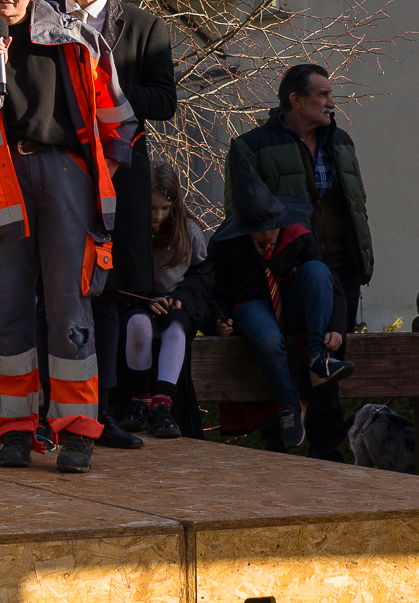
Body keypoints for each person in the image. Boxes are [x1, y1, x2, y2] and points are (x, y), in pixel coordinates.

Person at [0, 0, 138, 474]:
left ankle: (77, 430)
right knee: (8, 308)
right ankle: (14, 429)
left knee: (69, 306)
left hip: (64, 176)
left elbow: (118, 118)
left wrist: (96, 172)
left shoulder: (75, 36)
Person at [49, 0, 177, 451]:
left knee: (111, 289)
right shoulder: (42, 20)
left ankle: (102, 410)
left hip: (121, 171)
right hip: (60, 168)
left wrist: (113, 94)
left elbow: (164, 101)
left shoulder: (145, 27)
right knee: (56, 287)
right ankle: (56, 409)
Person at [227, 63, 372, 460]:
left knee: (329, 359)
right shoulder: (252, 146)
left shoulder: (340, 140)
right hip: (281, 273)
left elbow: (355, 205)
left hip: (340, 268)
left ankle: (328, 455)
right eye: (322, 94)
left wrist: (360, 262)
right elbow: (240, 216)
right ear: (296, 100)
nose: (330, 101)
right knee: (285, 357)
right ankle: (279, 455)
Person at [210, 148, 355, 450]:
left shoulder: (298, 234)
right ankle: (288, 403)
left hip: (292, 302)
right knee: (265, 338)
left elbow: (331, 284)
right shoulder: (225, 248)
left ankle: (318, 358)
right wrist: (218, 319)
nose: (268, 237)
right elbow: (216, 291)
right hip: (252, 304)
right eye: (259, 232)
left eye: (272, 227)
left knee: (316, 271)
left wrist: (337, 328)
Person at [119, 162, 215, 439]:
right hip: (134, 302)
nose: (159, 215)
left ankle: (163, 404)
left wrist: (181, 298)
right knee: (138, 326)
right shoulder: (127, 230)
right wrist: (145, 299)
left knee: (175, 330)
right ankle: (139, 401)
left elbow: (202, 274)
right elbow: (119, 277)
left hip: (175, 304)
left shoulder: (188, 231)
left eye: (165, 207)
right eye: (152, 208)